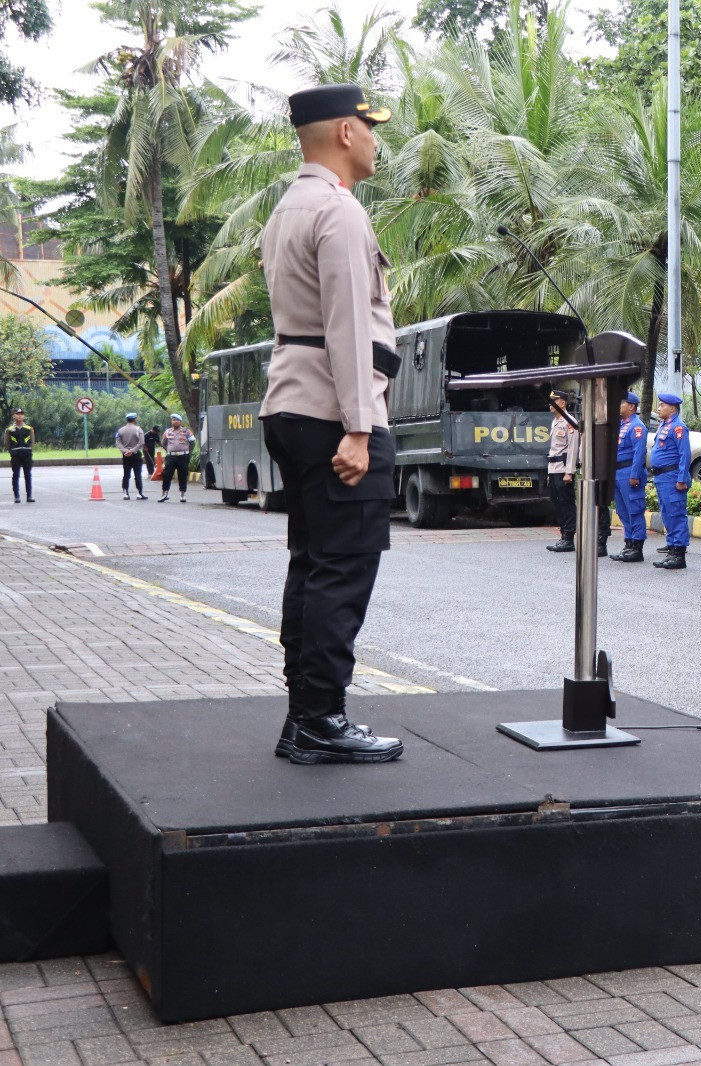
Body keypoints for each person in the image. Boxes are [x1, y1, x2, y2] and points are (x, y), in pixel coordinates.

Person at [259, 83, 403, 764]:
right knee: (341, 570)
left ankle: (305, 716)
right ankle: (321, 718)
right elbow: (348, 325)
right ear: (346, 132)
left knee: (312, 565)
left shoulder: (287, 208)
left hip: (292, 403)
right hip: (333, 410)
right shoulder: (338, 212)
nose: (377, 140)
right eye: (370, 129)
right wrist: (358, 427)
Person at [647, 393, 693, 570]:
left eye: (662, 405)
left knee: (676, 514)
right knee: (667, 514)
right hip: (662, 477)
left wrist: (682, 478)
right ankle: (672, 550)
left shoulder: (678, 427)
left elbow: (685, 455)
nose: (658, 408)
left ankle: (679, 555)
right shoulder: (664, 425)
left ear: (672, 408)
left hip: (672, 477)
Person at [609, 392, 648, 563]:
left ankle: (637, 548)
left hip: (629, 473)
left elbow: (639, 454)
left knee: (634, 510)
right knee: (623, 511)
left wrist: (634, 475)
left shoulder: (636, 427)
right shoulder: (622, 425)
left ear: (631, 406)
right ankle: (629, 543)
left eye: (621, 403)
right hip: (618, 473)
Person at [545, 390, 580, 553]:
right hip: (554, 469)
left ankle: (569, 538)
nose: (550, 404)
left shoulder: (569, 421)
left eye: (554, 401)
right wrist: (549, 473)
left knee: (566, 504)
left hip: (563, 469)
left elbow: (573, 449)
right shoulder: (555, 421)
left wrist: (569, 472)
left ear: (562, 403)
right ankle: (563, 535)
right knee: (557, 503)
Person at [158, 414, 194, 502]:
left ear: (180, 422)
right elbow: (164, 443)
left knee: (183, 475)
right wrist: (169, 451)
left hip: (183, 456)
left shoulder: (186, 431)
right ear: (171, 421)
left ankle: (182, 494)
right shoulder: (167, 431)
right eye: (173, 420)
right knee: (167, 475)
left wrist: (189, 452)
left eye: (177, 420)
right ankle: (164, 493)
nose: (175, 421)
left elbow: (192, 442)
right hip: (171, 456)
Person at [115, 414, 147, 501]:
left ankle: (125, 493)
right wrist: (132, 451)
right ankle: (139, 494)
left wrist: (125, 451)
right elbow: (141, 442)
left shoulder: (121, 430)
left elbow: (118, 443)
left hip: (125, 455)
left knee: (126, 474)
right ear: (134, 419)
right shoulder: (138, 429)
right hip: (136, 454)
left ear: (127, 420)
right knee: (137, 475)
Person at [7, 408, 34, 503]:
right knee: (16, 475)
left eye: (21, 414)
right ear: (13, 416)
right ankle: (16, 496)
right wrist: (11, 452)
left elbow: (32, 442)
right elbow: (7, 443)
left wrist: (30, 450)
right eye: (17, 414)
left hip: (27, 454)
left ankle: (29, 496)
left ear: (24, 416)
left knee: (28, 475)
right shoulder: (10, 429)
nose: (20, 415)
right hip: (15, 455)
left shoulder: (29, 428)